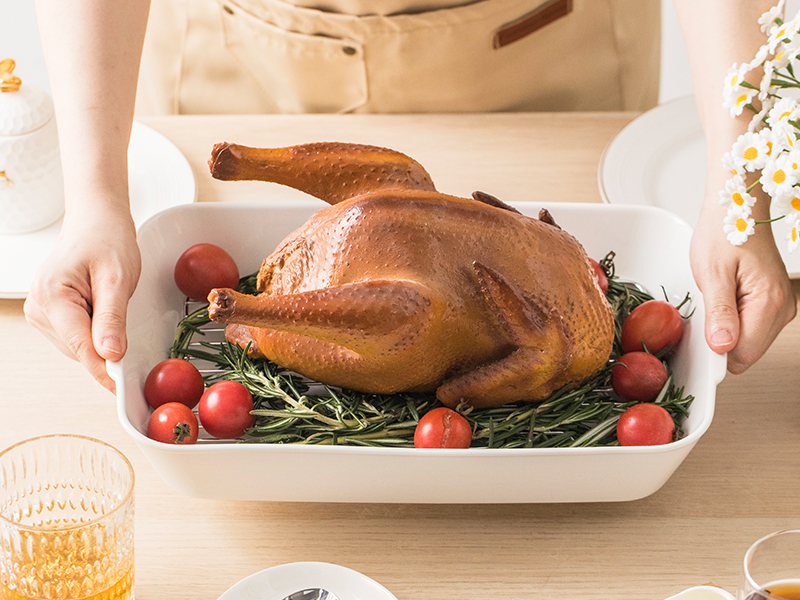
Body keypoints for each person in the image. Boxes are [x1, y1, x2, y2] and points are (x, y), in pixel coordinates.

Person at [23, 0, 796, 393]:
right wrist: (94, 196)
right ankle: (249, 300)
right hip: (249, 47)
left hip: (543, 60)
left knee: (418, 302)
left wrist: (740, 190)